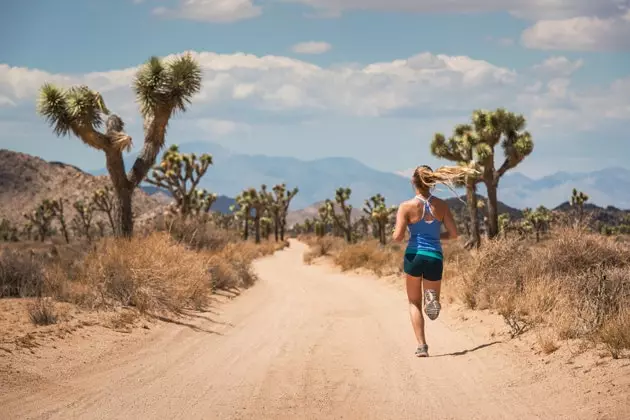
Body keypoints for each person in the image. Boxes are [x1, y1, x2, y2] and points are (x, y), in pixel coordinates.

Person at [392, 165, 467, 358]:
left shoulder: (406, 206)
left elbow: (398, 237)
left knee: (413, 302)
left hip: (414, 256)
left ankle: (422, 346)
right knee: (429, 296)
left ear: (413, 182)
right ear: (432, 182)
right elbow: (454, 234)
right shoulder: (441, 205)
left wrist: (404, 228)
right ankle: (432, 297)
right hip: (435, 256)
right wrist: (435, 237)